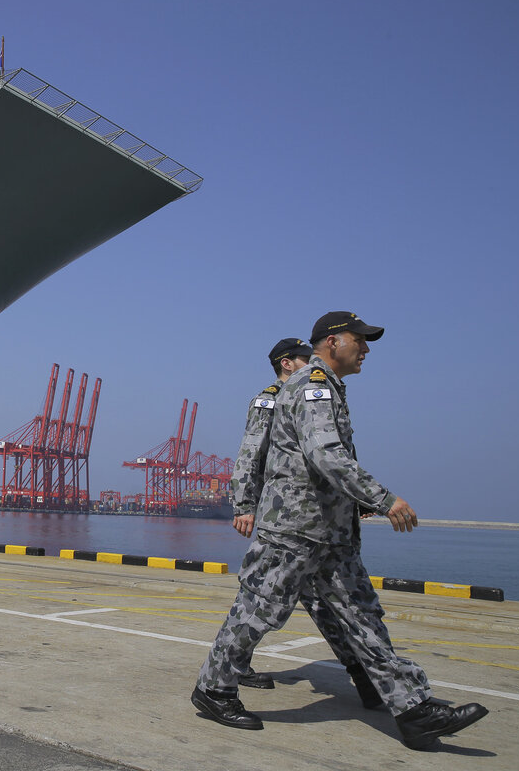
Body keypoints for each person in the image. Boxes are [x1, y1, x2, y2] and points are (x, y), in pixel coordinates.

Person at [191, 312, 487, 750]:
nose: (365, 349)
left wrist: (352, 504)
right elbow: (324, 454)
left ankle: (412, 709)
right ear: (332, 342)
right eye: (359, 340)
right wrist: (382, 498)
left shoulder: (327, 386)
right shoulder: (312, 386)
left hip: (329, 531)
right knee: (259, 609)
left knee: (362, 616)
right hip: (295, 527)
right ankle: (214, 689)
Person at [227, 338, 380, 708]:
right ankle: (229, 670)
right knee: (263, 598)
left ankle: (365, 674)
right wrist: (244, 504)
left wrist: (355, 499)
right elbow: (250, 453)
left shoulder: (315, 391)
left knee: (328, 603)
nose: (312, 362)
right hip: (285, 518)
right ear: (285, 363)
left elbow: (339, 452)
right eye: (303, 358)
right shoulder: (270, 399)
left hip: (319, 521)